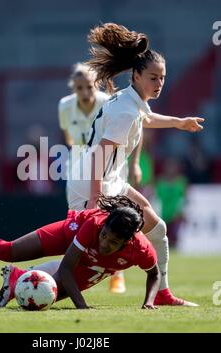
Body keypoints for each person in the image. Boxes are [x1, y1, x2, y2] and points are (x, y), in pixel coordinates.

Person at [66, 23, 204, 305]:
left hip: (110, 180)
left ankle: (162, 293)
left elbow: (147, 119)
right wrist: (95, 198)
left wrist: (179, 123)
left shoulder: (132, 101)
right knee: (89, 255)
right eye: (153, 77)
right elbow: (99, 155)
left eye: (163, 78)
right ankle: (30, 278)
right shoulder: (127, 110)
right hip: (95, 183)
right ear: (137, 75)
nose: (159, 83)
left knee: (157, 228)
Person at [0, 195, 162, 309]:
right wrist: (82, 306)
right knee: (10, 251)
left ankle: (13, 285)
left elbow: (154, 273)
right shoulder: (95, 226)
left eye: (113, 242)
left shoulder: (140, 249)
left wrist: (149, 302)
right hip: (71, 233)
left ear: (128, 242)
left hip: (95, 265)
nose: (105, 242)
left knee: (50, 294)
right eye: (105, 235)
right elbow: (66, 267)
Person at [58, 62, 136, 293]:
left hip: (108, 167)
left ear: (97, 86)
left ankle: (117, 273)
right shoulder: (64, 105)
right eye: (79, 88)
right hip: (78, 169)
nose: (84, 93)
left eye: (89, 88)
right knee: (76, 218)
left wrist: (134, 165)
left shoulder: (108, 102)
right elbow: (69, 139)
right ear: (73, 87)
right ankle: (73, 267)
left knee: (113, 217)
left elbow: (133, 128)